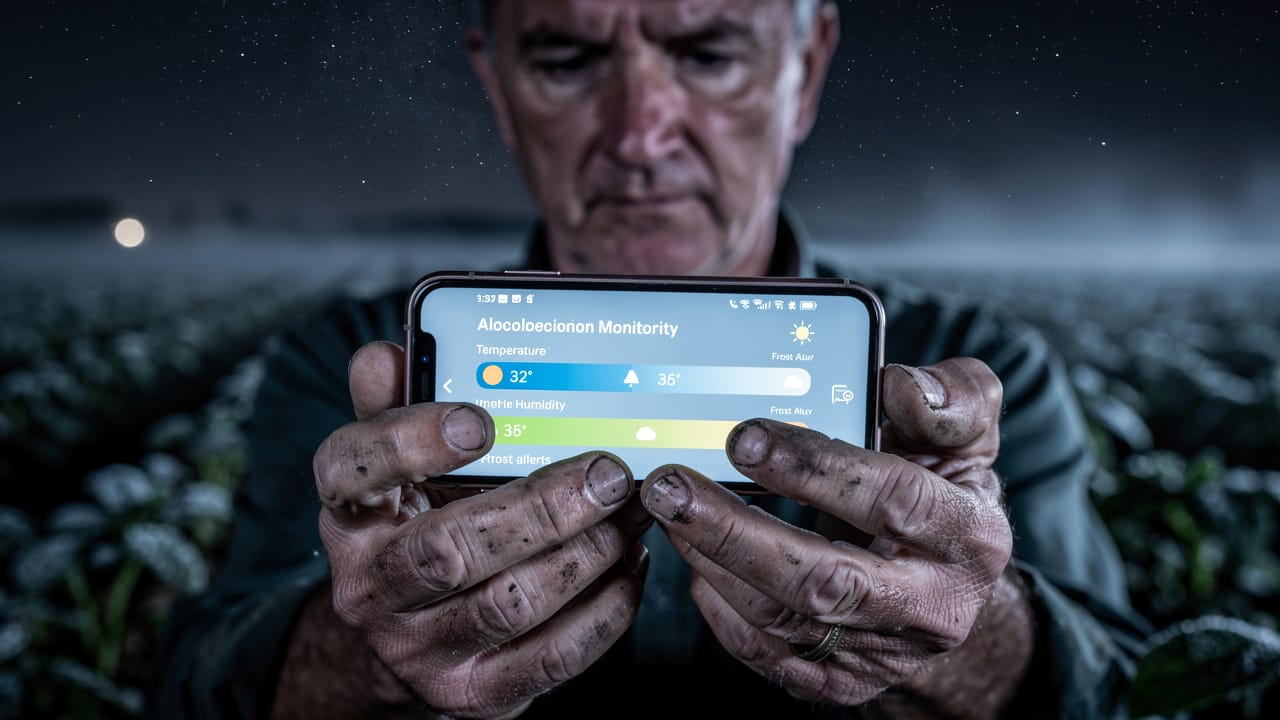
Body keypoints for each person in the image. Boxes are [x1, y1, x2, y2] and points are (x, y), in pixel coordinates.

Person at [148, 1, 1152, 718]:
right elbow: (196, 681)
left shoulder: (975, 370)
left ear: (806, 69)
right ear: (495, 87)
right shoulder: (349, 365)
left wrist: (973, 633)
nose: (638, 135)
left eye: (709, 51)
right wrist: (356, 648)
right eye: (566, 61)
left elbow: (1134, 690)